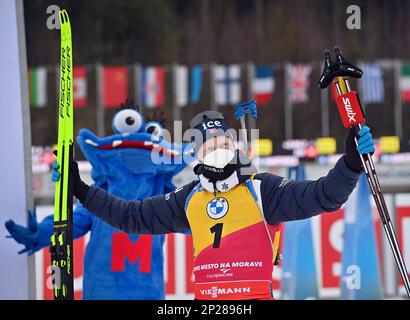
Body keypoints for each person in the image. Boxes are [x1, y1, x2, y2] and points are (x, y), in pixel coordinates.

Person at [53, 110, 375, 300]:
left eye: (225, 143)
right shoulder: (189, 198)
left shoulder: (262, 188)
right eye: (211, 146)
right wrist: (79, 188)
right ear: (198, 154)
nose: (220, 150)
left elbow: (324, 196)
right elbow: (131, 217)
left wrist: (349, 162)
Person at [5, 106, 190, 299]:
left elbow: (192, 217)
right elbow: (72, 222)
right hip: (106, 290)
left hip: (142, 291)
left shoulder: (161, 195)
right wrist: (41, 232)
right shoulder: (100, 194)